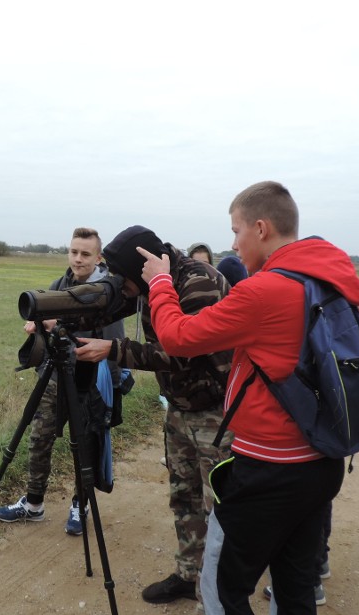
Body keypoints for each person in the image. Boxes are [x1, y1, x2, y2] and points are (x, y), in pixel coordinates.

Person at [138, 181, 349, 614]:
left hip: (269, 466)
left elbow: (178, 338)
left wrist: (160, 283)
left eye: (235, 231)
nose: (232, 244)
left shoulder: (266, 290)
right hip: (320, 462)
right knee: (294, 586)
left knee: (219, 587)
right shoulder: (328, 280)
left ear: (261, 228)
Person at [75, 225, 233, 606]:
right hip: (179, 408)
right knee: (184, 497)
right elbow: (112, 302)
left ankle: (219, 593)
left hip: (215, 413)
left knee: (221, 510)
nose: (122, 284)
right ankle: (189, 573)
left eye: (122, 275)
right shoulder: (149, 281)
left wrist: (112, 350)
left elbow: (181, 352)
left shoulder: (199, 283)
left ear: (138, 265)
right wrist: (59, 311)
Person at [0, 227, 126, 535]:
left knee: (85, 446)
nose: (77, 260)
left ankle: (81, 505)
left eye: (85, 254)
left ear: (98, 257)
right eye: (73, 252)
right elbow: (46, 331)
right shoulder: (60, 285)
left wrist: (57, 327)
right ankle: (33, 503)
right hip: (54, 376)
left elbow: (113, 344)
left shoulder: (109, 292)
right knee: (39, 437)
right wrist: (39, 329)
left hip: (91, 382)